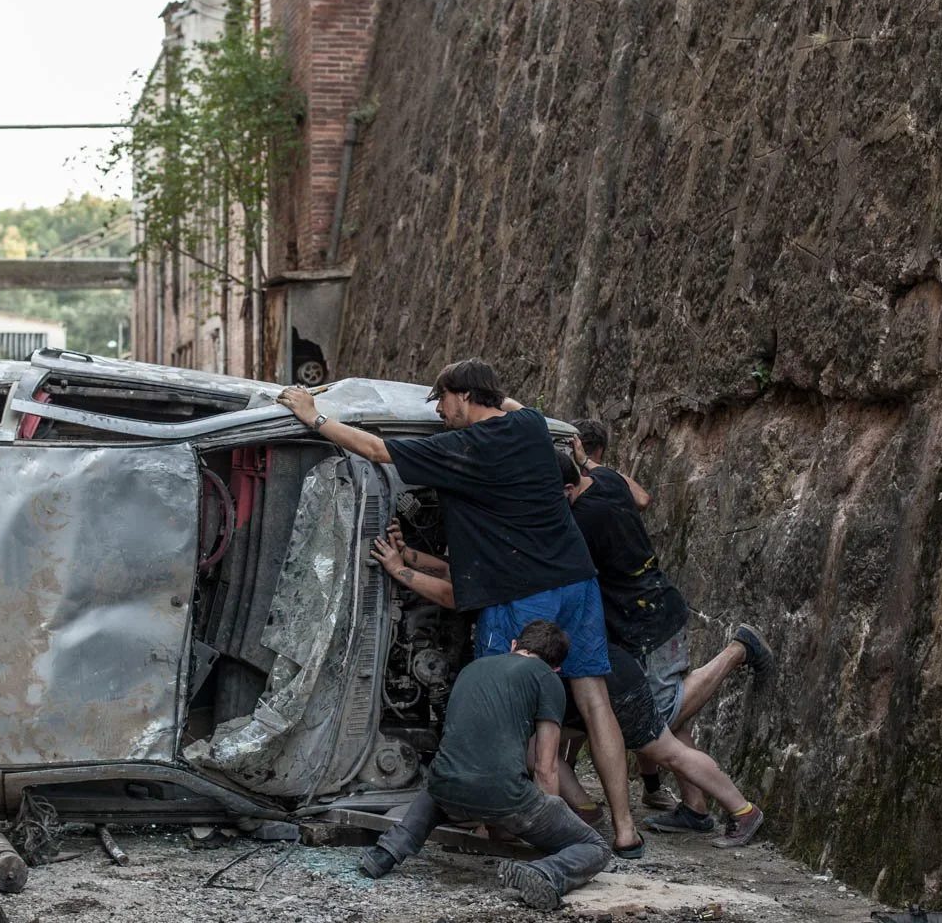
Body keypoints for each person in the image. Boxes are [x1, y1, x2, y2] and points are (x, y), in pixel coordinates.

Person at [277, 360, 642, 857]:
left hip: (521, 592)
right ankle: (625, 829)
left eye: (442, 400)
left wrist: (312, 416)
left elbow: (377, 449)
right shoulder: (532, 426)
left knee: (505, 707)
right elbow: (510, 404)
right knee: (595, 699)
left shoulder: (463, 447)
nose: (440, 410)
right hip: (576, 580)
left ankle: (519, 829)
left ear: (464, 396)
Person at [561, 424, 775, 833]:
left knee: (660, 714)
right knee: (670, 720)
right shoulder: (604, 480)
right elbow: (642, 496)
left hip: (647, 619)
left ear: (567, 490)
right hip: (651, 606)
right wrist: (587, 461)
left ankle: (737, 651)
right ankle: (695, 811)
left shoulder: (583, 519)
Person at [357, 620, 613, 910]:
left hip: (446, 790)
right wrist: (546, 836)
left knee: (444, 781)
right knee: (595, 847)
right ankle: (546, 872)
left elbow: (462, 748)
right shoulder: (547, 679)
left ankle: (387, 852)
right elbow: (545, 767)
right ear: (556, 667)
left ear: (514, 646)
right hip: (502, 796)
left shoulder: (473, 668)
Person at [599, 642, 765, 848]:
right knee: (661, 733)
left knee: (665, 731)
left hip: (619, 655)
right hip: (618, 652)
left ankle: (742, 810)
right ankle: (696, 809)